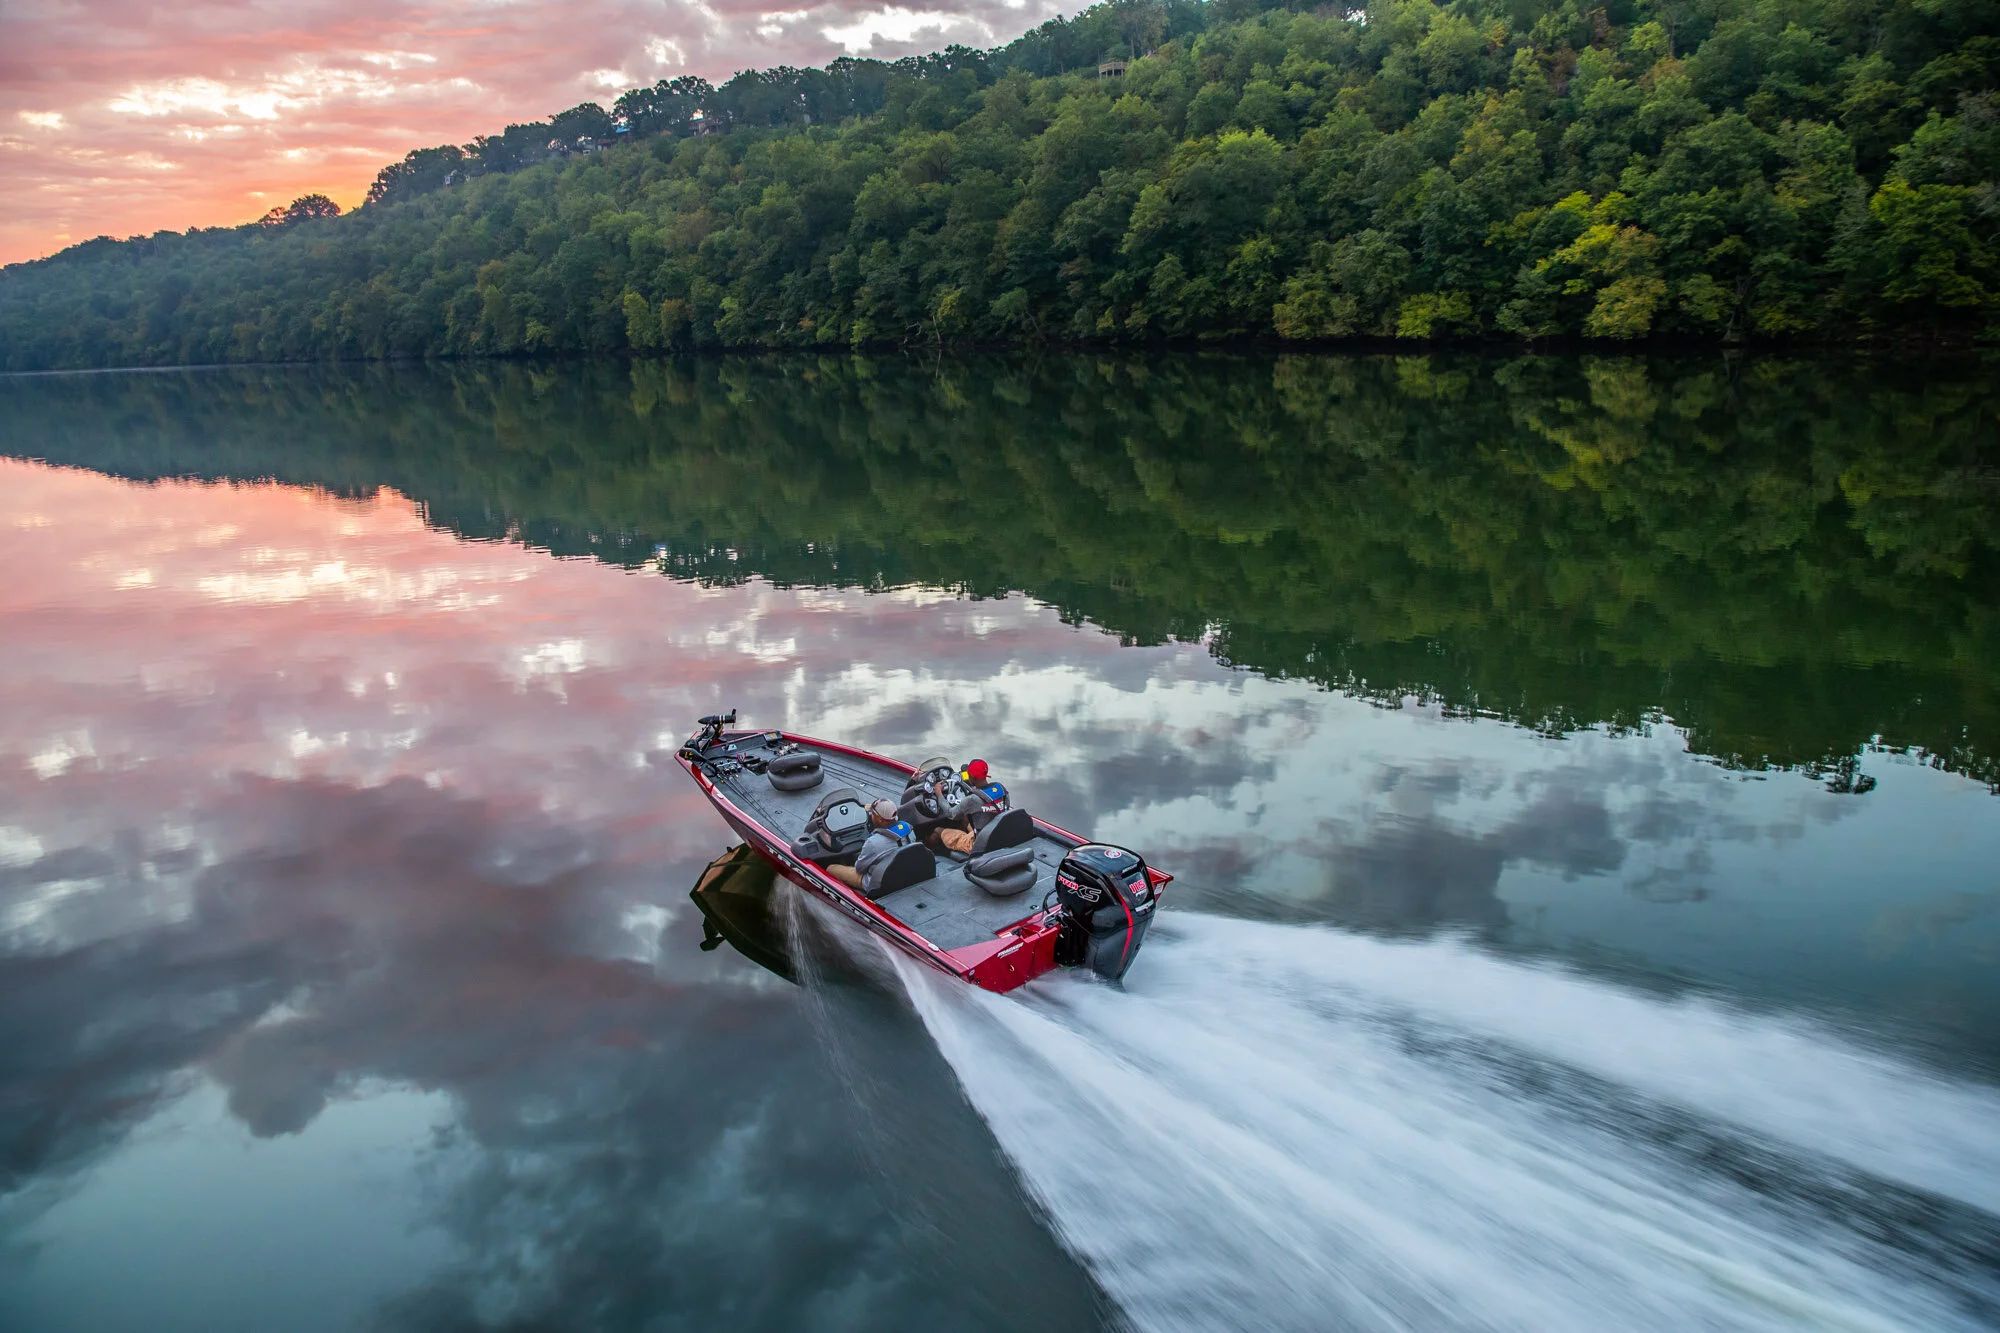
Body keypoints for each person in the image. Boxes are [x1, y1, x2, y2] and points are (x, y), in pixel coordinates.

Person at [825, 799, 907, 891]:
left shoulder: (873, 842)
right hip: (899, 871)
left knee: (831, 869)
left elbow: (859, 868)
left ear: (880, 820)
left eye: (873, 813)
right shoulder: (904, 829)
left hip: (876, 881)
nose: (870, 815)